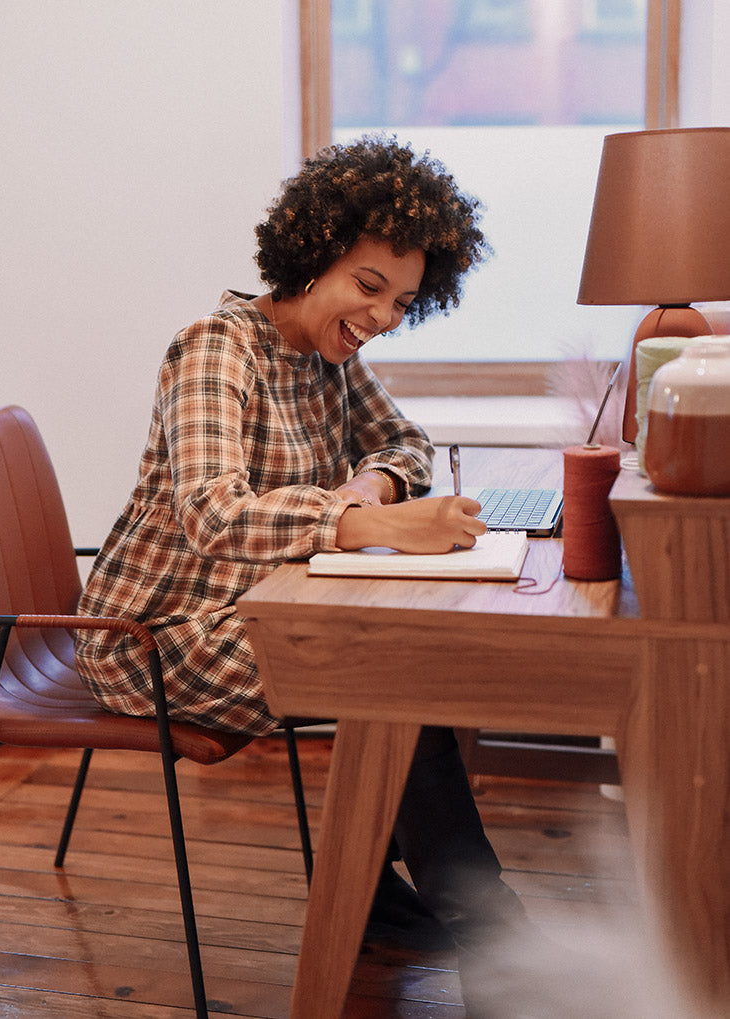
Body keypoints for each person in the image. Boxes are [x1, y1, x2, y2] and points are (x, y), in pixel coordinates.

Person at [75, 135, 528, 1012]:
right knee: (390, 672)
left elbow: (407, 443)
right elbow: (210, 511)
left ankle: (374, 895)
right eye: (369, 287)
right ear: (312, 253)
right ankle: (490, 934)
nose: (384, 316)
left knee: (401, 660)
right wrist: (360, 525)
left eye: (403, 300)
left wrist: (371, 484)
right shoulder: (215, 346)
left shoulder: (332, 358)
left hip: (257, 609)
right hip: (156, 637)